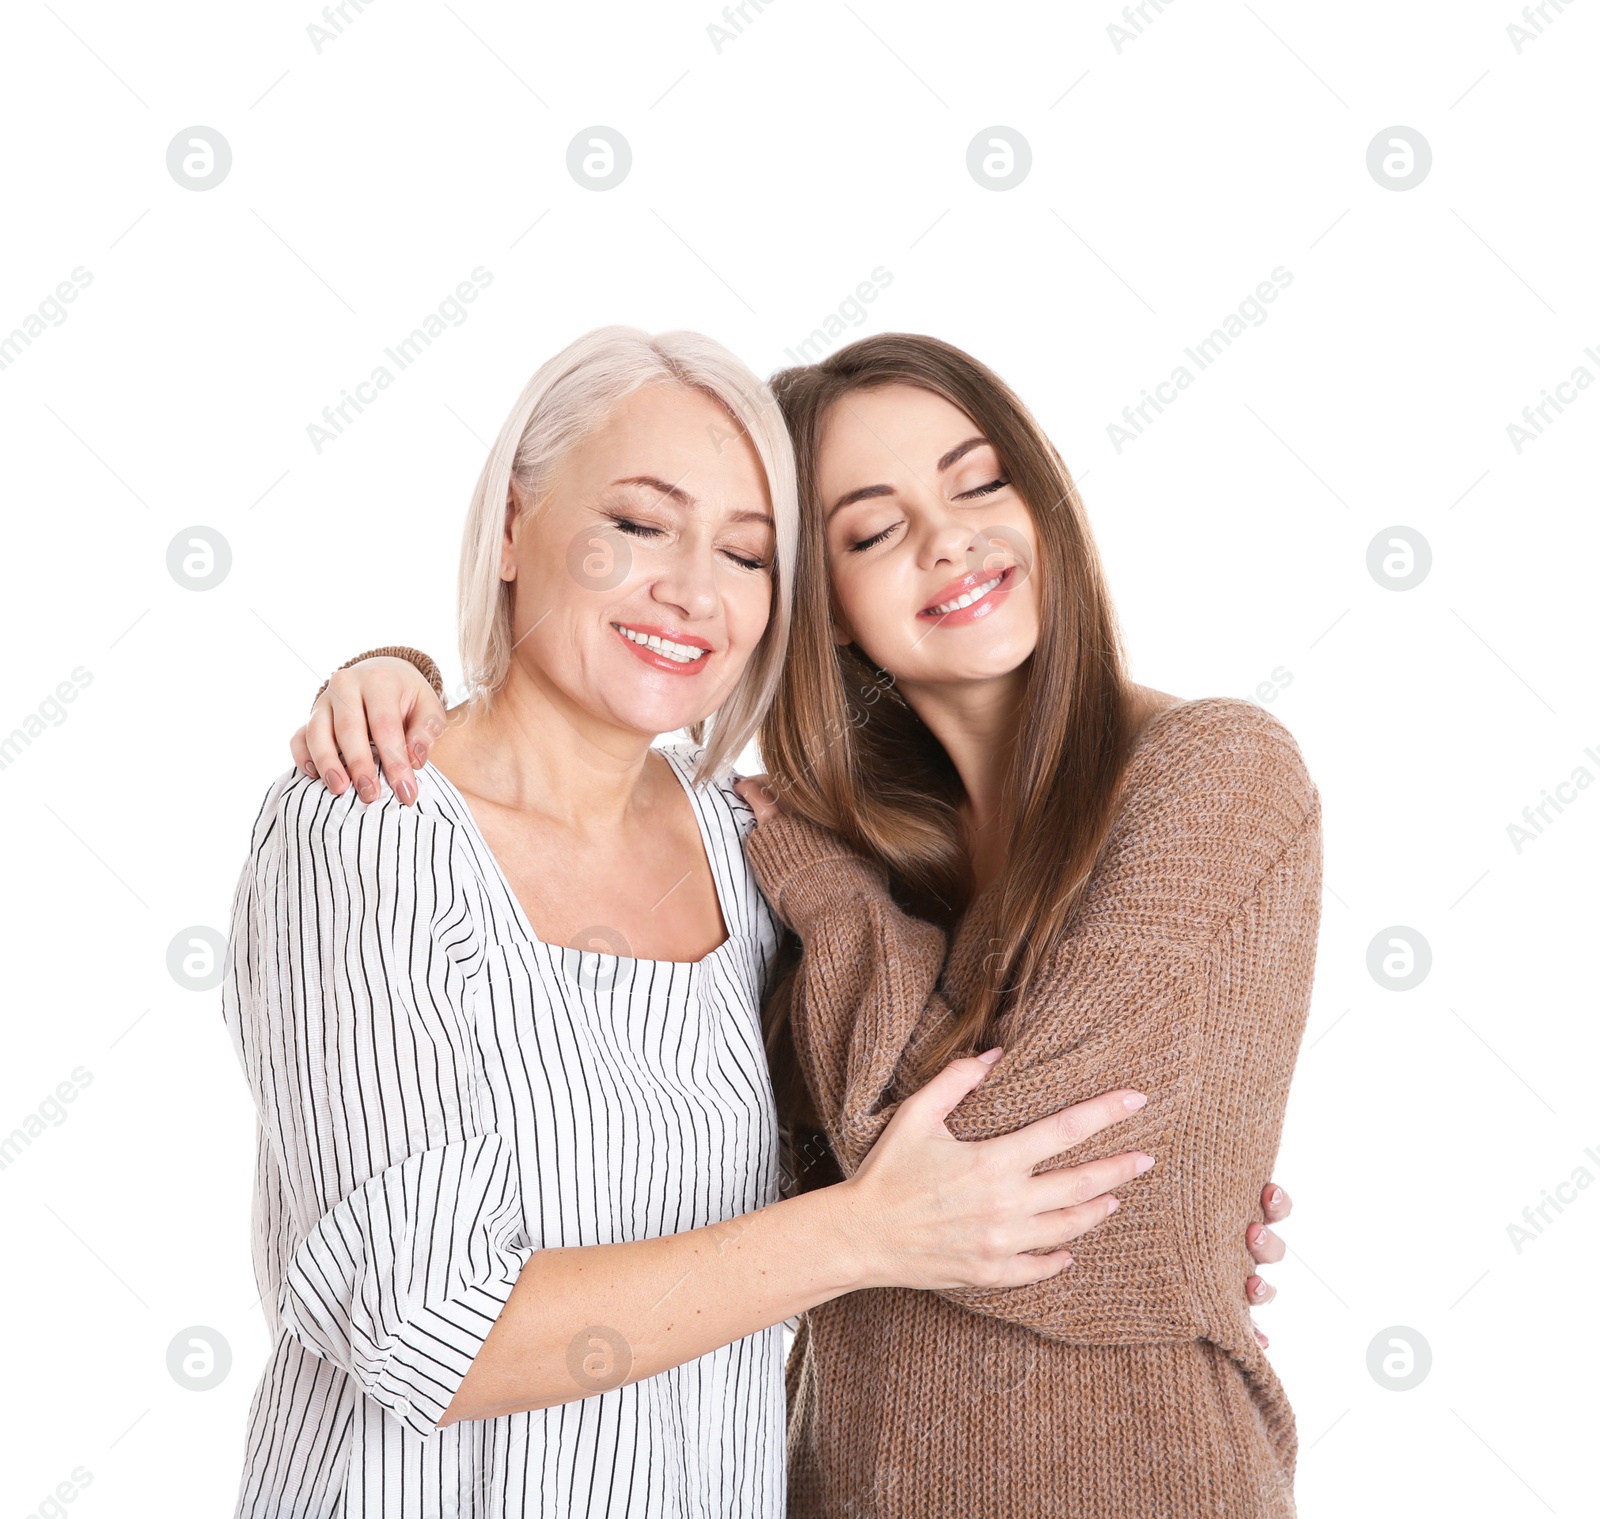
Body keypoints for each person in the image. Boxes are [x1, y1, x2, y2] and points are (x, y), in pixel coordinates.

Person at [290, 332, 1310, 1518]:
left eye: (981, 479)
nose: (947, 538)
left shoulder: (1186, 777)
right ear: (822, 609)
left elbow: (1021, 1182)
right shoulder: (800, 843)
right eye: (871, 531)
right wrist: (392, 674)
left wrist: (1158, 1221)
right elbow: (879, 1193)